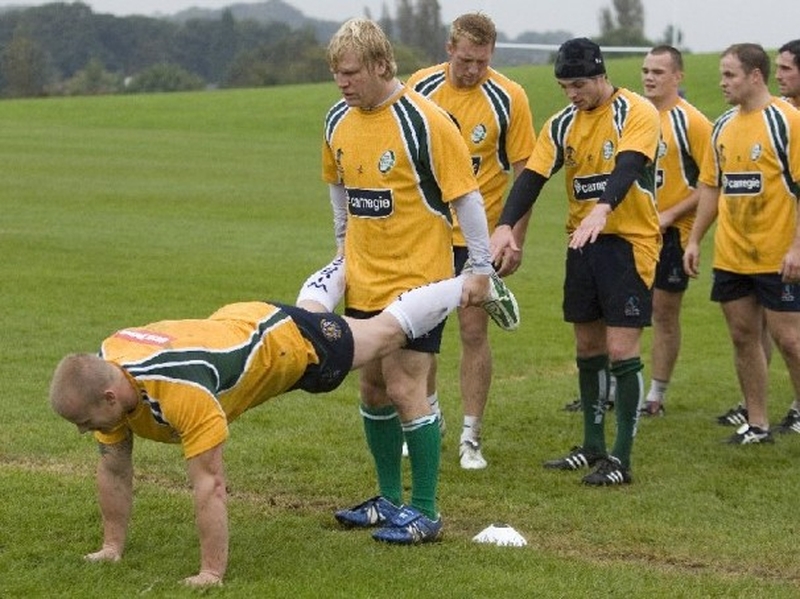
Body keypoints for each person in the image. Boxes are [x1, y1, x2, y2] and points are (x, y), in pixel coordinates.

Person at [49, 265, 516, 588]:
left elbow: (210, 485)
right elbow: (113, 469)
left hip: (288, 346)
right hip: (239, 322)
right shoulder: (108, 364)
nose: (84, 431)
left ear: (110, 397)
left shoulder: (181, 392)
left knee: (382, 333)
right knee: (315, 311)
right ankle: (345, 257)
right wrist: (111, 547)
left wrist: (211, 572)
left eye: (86, 421)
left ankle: (471, 286)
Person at [322, 19, 516, 543]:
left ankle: (425, 511)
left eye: (350, 72)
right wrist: (342, 245)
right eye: (336, 73)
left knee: (407, 385)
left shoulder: (425, 121)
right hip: (364, 276)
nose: (342, 82)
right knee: (372, 387)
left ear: (382, 65)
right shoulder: (338, 119)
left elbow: (466, 199)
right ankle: (388, 500)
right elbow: (339, 184)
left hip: (418, 279)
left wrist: (478, 269)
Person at [491, 37, 661, 485]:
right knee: (588, 347)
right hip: (582, 244)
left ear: (602, 74)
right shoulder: (563, 122)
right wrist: (506, 225)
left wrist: (603, 209)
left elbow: (628, 165)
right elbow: (532, 176)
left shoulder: (636, 111)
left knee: (623, 350)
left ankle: (620, 459)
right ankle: (592, 446)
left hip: (629, 243)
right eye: (565, 85)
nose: (573, 93)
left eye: (580, 84)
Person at [405, 12, 536, 469]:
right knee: (421, 328)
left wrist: (514, 237)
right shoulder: (419, 89)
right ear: (448, 49)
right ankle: (430, 416)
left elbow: (526, 174)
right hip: (428, 233)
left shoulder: (509, 96)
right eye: (465, 60)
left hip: (480, 236)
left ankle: (470, 438)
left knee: (473, 329)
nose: (472, 70)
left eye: (481, 61)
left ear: (491, 55)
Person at [683, 43, 800, 444]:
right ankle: (758, 423)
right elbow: (711, 188)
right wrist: (695, 239)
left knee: (790, 340)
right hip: (733, 256)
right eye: (722, 74)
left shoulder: (788, 121)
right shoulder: (722, 126)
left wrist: (797, 248)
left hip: (778, 254)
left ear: (755, 76)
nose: (722, 82)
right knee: (743, 336)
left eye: (730, 74)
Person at [637, 45, 712, 416]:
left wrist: (669, 215)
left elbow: (711, 184)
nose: (650, 77)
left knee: (663, 312)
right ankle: (611, 388)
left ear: (678, 76)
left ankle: (656, 395)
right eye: (646, 70)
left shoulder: (693, 122)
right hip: (634, 231)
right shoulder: (633, 116)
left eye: (659, 72)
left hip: (672, 234)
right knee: (616, 309)